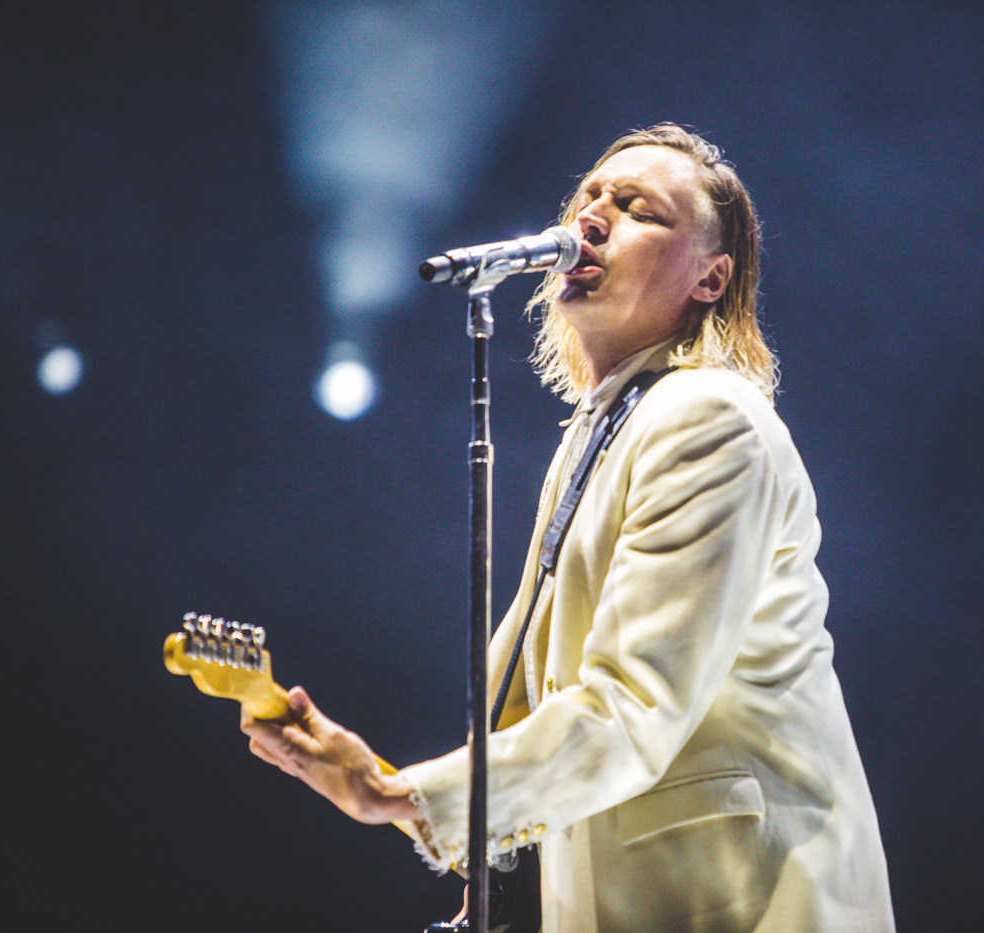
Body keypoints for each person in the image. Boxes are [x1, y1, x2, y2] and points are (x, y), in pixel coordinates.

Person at [242, 124, 896, 933]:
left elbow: (631, 703)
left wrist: (393, 794)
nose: (593, 216)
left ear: (710, 277)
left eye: (638, 209)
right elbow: (529, 705)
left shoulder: (709, 420)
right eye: (589, 196)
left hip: (740, 902)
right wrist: (422, 816)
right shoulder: (605, 429)